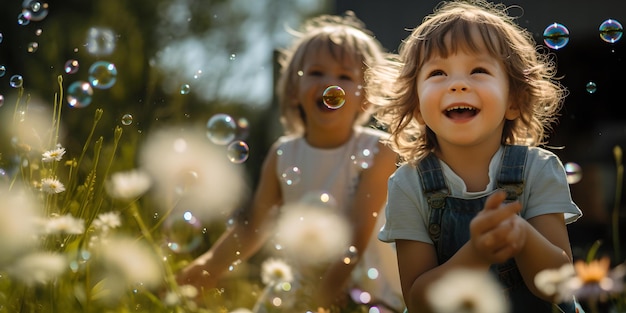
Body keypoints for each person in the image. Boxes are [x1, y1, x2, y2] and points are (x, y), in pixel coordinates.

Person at [176, 11, 404, 312]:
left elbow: (357, 233)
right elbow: (253, 227)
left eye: (345, 77)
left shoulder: (379, 150)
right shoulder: (283, 154)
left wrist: (321, 298)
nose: (329, 84)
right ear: (294, 89)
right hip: (300, 283)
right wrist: (207, 267)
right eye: (316, 73)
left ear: (367, 96)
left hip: (366, 288)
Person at [365, 1, 583, 313]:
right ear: (416, 107)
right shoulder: (408, 184)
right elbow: (419, 301)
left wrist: (521, 234)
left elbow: (558, 287)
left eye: (478, 70)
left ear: (514, 101)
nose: (457, 84)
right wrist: (477, 253)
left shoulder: (539, 169)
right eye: (438, 73)